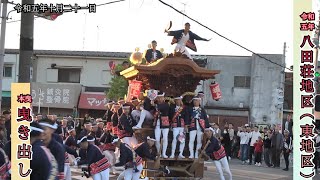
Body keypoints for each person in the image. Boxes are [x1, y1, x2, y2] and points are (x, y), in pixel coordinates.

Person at [153, 91, 170, 158]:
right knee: (157, 139)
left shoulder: (166, 104)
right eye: (158, 98)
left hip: (165, 123)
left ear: (163, 98)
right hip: (157, 123)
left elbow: (161, 108)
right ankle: (159, 152)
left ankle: (164, 153)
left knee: (165, 138)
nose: (160, 99)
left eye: (161, 98)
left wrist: (154, 105)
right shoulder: (155, 104)